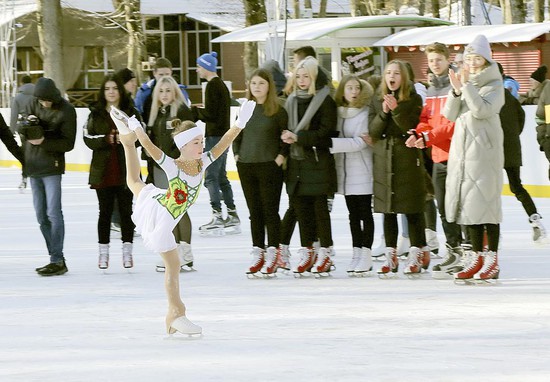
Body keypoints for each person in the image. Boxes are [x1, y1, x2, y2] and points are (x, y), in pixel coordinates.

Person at [111, 98, 255, 335]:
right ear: (184, 145)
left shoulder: (203, 162)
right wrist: (138, 129)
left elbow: (224, 142)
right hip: (160, 217)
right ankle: (177, 313)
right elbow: (148, 146)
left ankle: (174, 315)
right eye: (196, 142)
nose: (201, 145)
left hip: (164, 209)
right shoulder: (173, 166)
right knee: (173, 265)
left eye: (201, 141)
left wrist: (240, 123)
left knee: (135, 183)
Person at [444, 34, 505, 282]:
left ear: (487, 61)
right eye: (469, 59)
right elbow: (449, 115)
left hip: (484, 154)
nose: (473, 63)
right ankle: (476, 256)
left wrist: (466, 87)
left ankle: (492, 258)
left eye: (477, 58)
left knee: (487, 206)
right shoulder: (465, 83)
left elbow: (481, 110)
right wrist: (456, 91)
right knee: (468, 207)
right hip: (463, 153)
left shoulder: (495, 85)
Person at [406, 42, 465, 279]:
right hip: (438, 155)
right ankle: (453, 250)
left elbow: (453, 123)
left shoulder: (456, 85)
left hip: (457, 154)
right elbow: (425, 118)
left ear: (447, 59)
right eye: (431, 61)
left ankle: (468, 251)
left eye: (438, 59)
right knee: (443, 205)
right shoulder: (430, 89)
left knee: (459, 206)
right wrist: (418, 133)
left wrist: (427, 136)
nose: (435, 64)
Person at [368, 59, 428, 277]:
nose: (391, 77)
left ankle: (415, 253)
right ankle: (390, 254)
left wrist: (395, 111)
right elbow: (373, 132)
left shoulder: (414, 99)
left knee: (411, 207)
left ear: (403, 77)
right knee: (388, 209)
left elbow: (409, 127)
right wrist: (384, 112)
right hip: (384, 158)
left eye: (396, 73)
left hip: (406, 158)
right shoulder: (376, 100)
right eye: (388, 73)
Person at [280, 56, 337, 276]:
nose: (302, 81)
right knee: (302, 210)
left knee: (320, 210)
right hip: (297, 163)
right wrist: (286, 137)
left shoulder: (325, 100)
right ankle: (308, 250)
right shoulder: (291, 100)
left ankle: (325, 251)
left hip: (317, 162)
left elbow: (327, 133)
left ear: (314, 78)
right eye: (298, 76)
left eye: (306, 77)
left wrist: (299, 137)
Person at [232, 69, 290, 276]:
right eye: (253, 83)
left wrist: (280, 156)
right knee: (254, 212)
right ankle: (259, 251)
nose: (257, 87)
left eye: (261, 83)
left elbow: (286, 138)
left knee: (269, 211)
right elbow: (236, 135)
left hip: (269, 166)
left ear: (269, 87)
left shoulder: (277, 110)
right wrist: (237, 155)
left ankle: (273, 251)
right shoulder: (245, 109)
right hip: (247, 166)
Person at [20, 77, 77, 276]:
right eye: (41, 100)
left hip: (52, 167)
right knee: (41, 216)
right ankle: (55, 256)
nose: (44, 104)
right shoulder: (31, 103)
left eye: (46, 100)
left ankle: (57, 259)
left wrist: (43, 140)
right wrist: (28, 127)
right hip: (34, 166)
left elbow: (68, 143)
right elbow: (20, 130)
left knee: (54, 213)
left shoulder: (66, 110)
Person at [83, 75, 137, 269]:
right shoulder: (95, 114)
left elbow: (140, 135)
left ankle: (127, 253)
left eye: (114, 88)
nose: (111, 92)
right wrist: (106, 139)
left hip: (126, 171)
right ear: (103, 92)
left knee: (126, 213)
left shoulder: (130, 112)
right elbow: (88, 138)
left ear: (120, 91)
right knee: (104, 212)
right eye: (107, 89)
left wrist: (126, 138)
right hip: (103, 171)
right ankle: (103, 253)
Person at [145, 76, 195, 272]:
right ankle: (173, 253)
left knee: (179, 209)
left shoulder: (181, 111)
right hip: (160, 168)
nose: (164, 94)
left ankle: (186, 253)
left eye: (168, 90)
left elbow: (189, 140)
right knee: (168, 211)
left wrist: (178, 161)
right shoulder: (157, 114)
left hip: (177, 168)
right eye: (161, 91)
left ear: (175, 91)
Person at [328, 74, 375, 276]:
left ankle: (366, 253)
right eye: (349, 88)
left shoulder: (365, 113)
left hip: (362, 169)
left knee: (365, 213)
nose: (354, 92)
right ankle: (356, 251)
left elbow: (361, 142)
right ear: (343, 91)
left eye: (357, 88)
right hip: (344, 173)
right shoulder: (338, 113)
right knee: (352, 215)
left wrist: (331, 144)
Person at [496, 63, 546, 243]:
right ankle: (535, 219)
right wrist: (513, 137)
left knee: (491, 190)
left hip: (495, 149)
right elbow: (521, 119)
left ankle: (492, 231)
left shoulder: (491, 97)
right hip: (511, 148)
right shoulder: (510, 97)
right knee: (516, 186)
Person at [192, 51, 241, 235]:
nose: (197, 70)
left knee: (211, 176)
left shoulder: (212, 86)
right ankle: (232, 214)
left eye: (198, 66)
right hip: (223, 135)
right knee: (220, 176)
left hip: (215, 137)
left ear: (206, 67)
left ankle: (218, 215)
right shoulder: (219, 85)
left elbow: (211, 114)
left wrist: (196, 113)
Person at [10, 75, 34, 190]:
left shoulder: (18, 97)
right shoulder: (37, 95)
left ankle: (24, 178)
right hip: (37, 126)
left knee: (25, 153)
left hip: (24, 127)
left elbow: (14, 115)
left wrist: (12, 130)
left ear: (22, 83)